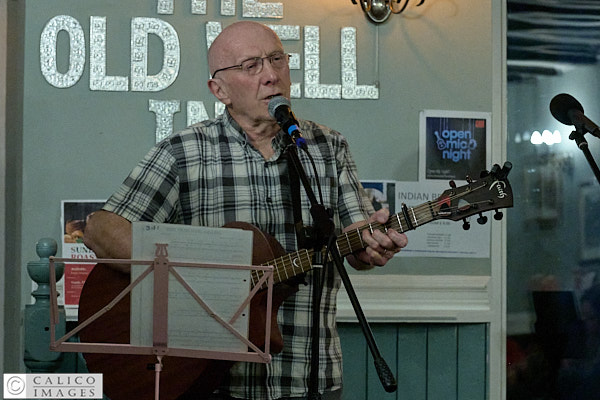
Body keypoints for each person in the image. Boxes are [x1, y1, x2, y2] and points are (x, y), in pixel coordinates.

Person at [84, 21, 407, 400]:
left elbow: (356, 244)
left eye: (277, 60)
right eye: (251, 65)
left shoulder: (328, 146)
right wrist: (195, 279)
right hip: (210, 381)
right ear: (219, 90)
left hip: (309, 376)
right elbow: (100, 228)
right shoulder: (183, 151)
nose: (271, 75)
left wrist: (371, 246)